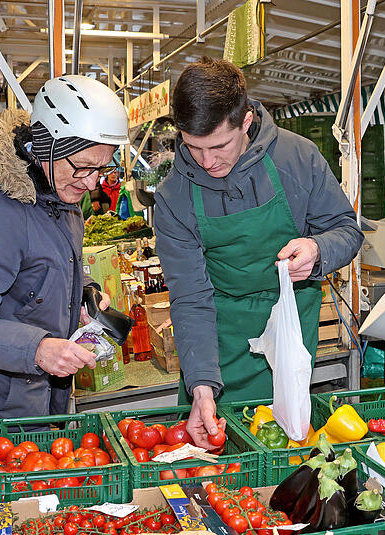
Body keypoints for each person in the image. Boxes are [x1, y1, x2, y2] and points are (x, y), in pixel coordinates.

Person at [154, 57, 363, 448]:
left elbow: (347, 230)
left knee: (287, 448)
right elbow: (190, 297)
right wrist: (200, 384)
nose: (206, 161)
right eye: (193, 148)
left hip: (288, 333)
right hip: (217, 337)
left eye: (219, 145)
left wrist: (318, 249)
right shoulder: (173, 197)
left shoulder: (297, 159)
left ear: (246, 121)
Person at [0, 75, 128, 445]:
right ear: (45, 147)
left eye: (103, 168)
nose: (91, 183)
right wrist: (35, 348)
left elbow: (49, 263)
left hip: (43, 401)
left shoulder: (59, 192)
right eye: (83, 167)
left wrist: (84, 294)